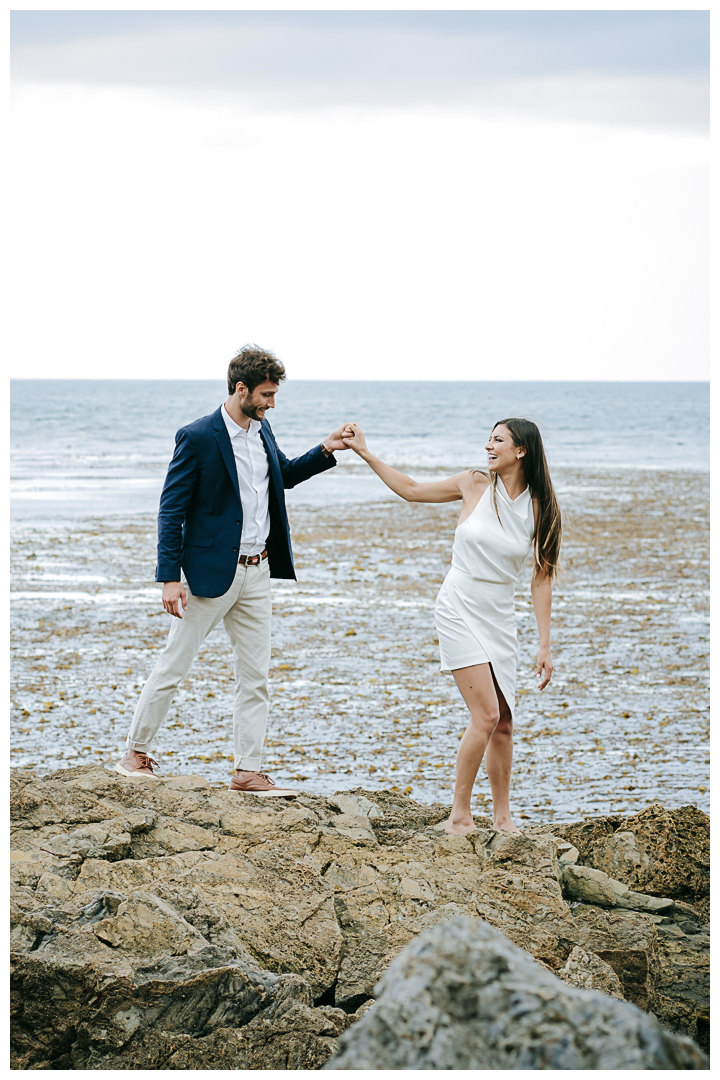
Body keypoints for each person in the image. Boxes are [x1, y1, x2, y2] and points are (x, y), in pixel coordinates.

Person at [116, 344, 352, 795]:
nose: (271, 403)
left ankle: (248, 771)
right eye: (265, 394)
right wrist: (169, 577)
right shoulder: (198, 436)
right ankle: (135, 754)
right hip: (209, 575)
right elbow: (171, 510)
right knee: (174, 664)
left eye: (274, 395)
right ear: (240, 389)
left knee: (255, 676)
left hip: (258, 573)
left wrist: (326, 448)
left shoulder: (263, 432)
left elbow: (282, 475)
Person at [342, 417, 561, 834]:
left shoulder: (541, 507)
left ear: (521, 451)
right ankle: (459, 815)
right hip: (459, 604)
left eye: (498, 441)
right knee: (485, 715)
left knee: (505, 722)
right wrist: (366, 452)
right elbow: (410, 490)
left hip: (499, 615)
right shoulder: (473, 484)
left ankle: (502, 817)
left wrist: (545, 645)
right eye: (488, 439)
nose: (488, 447)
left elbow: (542, 577)